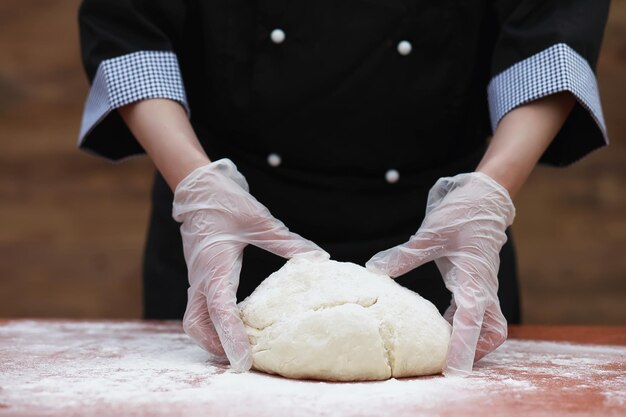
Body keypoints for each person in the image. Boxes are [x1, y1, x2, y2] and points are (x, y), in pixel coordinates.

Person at [77, 1, 610, 376]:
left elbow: (551, 32)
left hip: (441, 234)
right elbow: (128, 28)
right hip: (229, 233)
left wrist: (489, 194)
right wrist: (197, 185)